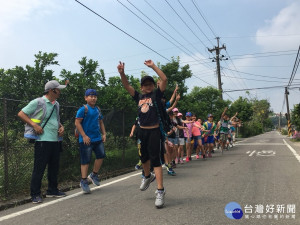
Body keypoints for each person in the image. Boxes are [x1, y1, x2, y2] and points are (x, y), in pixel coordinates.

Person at [117, 60, 167, 208]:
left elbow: (164, 79)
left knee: (156, 160)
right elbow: (126, 85)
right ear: (141, 87)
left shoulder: (156, 95)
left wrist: (153, 67)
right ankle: (147, 176)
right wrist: (122, 73)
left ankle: (160, 190)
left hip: (154, 131)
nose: (148, 86)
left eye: (150, 84)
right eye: (145, 85)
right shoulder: (138, 97)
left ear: (153, 86)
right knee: (143, 158)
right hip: (141, 131)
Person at [18, 80, 67, 203]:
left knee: (54, 167)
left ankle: (52, 190)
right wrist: (34, 125)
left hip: (55, 140)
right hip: (42, 140)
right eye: (58, 89)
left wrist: (61, 127)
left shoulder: (56, 104)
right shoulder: (38, 102)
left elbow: (56, 119)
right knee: (39, 168)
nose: (60, 91)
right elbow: (21, 114)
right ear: (52, 90)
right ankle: (35, 194)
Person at [75, 89, 106, 194]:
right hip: (86, 139)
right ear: (86, 98)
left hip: (97, 138)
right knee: (85, 160)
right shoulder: (83, 109)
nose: (93, 98)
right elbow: (77, 123)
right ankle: (83, 181)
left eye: (95, 96)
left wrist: (104, 134)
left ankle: (94, 174)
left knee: (101, 155)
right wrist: (84, 136)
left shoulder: (97, 109)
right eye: (90, 96)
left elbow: (101, 122)